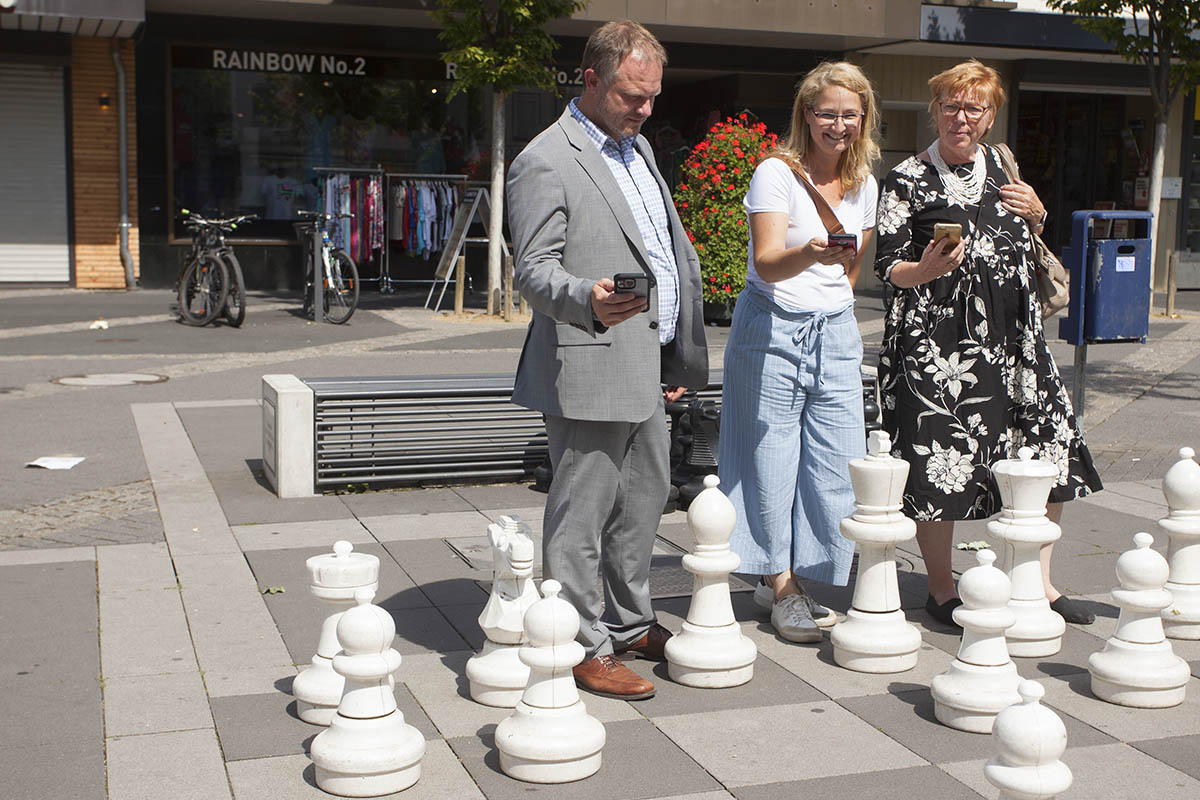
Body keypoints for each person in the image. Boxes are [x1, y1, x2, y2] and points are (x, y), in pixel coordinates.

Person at [506, 20, 708, 699]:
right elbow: (533, 270)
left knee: (642, 506)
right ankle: (577, 639)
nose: (644, 109)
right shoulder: (545, 158)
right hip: (588, 359)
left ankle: (626, 621)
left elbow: (663, 249)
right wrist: (585, 299)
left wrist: (676, 354)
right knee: (582, 516)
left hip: (648, 365)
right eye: (630, 95)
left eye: (652, 96)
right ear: (589, 81)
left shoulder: (638, 147)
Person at [874, 60, 1103, 627]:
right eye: (950, 105)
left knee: (1048, 452)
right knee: (939, 462)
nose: (961, 117)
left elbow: (1025, 244)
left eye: (974, 107)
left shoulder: (1002, 167)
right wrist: (923, 268)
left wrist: (1039, 214)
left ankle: (1039, 582)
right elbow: (885, 267)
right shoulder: (906, 178)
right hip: (937, 347)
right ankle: (939, 587)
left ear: (991, 115)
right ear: (934, 110)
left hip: (1016, 339)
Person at [719, 63, 880, 642]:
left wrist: (826, 265)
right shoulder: (775, 173)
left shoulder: (865, 182)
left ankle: (801, 571)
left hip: (835, 327)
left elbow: (852, 271)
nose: (837, 125)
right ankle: (781, 583)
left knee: (836, 458)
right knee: (769, 459)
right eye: (826, 113)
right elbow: (766, 260)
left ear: (864, 118)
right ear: (805, 116)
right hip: (772, 324)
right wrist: (811, 253)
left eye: (848, 114)